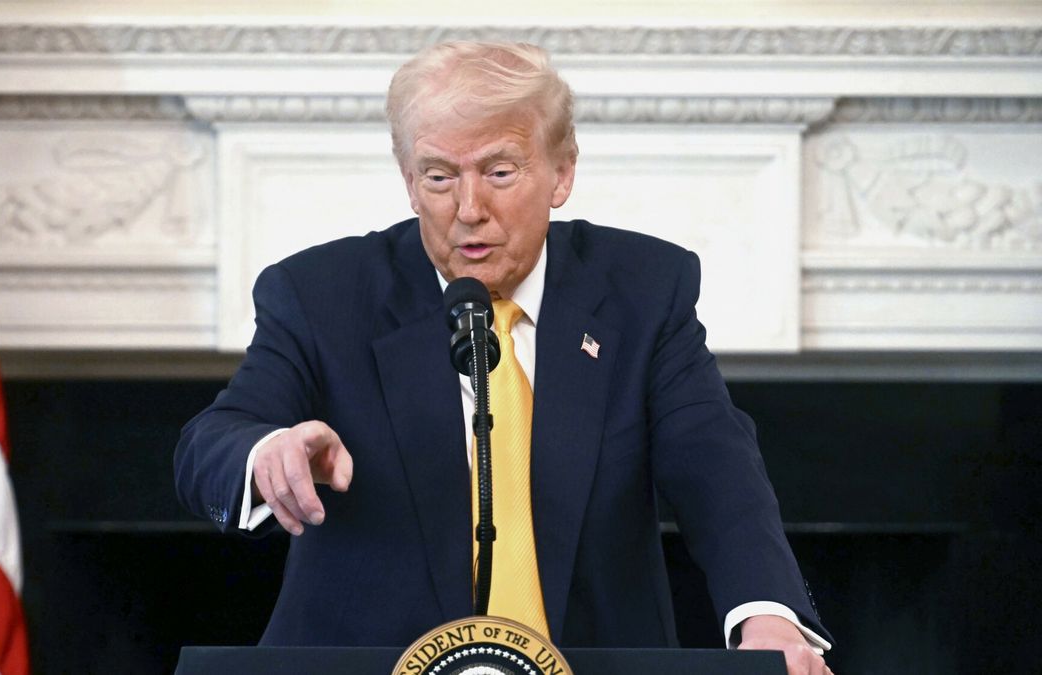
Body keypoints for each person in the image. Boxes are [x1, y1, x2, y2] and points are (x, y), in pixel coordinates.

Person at [175, 41, 834, 675]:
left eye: (499, 172)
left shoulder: (642, 289)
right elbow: (213, 439)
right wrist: (267, 453)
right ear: (409, 182)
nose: (469, 210)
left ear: (561, 173)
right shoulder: (322, 295)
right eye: (439, 176)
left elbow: (716, 465)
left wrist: (768, 616)